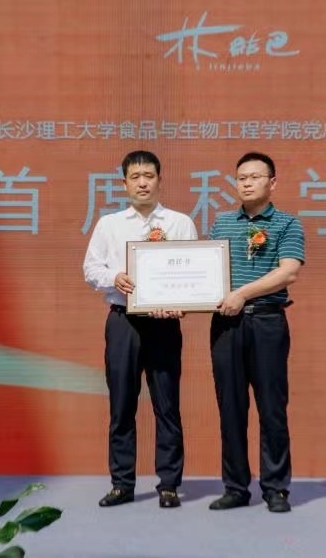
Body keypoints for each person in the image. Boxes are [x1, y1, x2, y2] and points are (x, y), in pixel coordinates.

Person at [83, 150, 198, 509]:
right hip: (123, 321)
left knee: (167, 405)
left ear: (160, 180)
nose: (143, 183)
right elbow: (91, 269)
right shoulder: (109, 225)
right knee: (121, 406)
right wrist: (114, 277)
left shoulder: (179, 223)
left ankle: (169, 484)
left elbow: (194, 272)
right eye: (135, 177)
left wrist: (183, 301)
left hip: (164, 323)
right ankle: (122, 484)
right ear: (124, 183)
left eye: (149, 176)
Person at [207, 152, 305, 513]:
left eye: (255, 177)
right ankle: (235, 487)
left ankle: (276, 487)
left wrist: (242, 294)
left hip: (266, 322)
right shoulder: (221, 223)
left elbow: (288, 271)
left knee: (271, 407)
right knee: (230, 408)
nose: (247, 183)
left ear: (272, 183)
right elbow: (207, 272)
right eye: (241, 178)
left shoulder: (287, 223)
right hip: (226, 325)